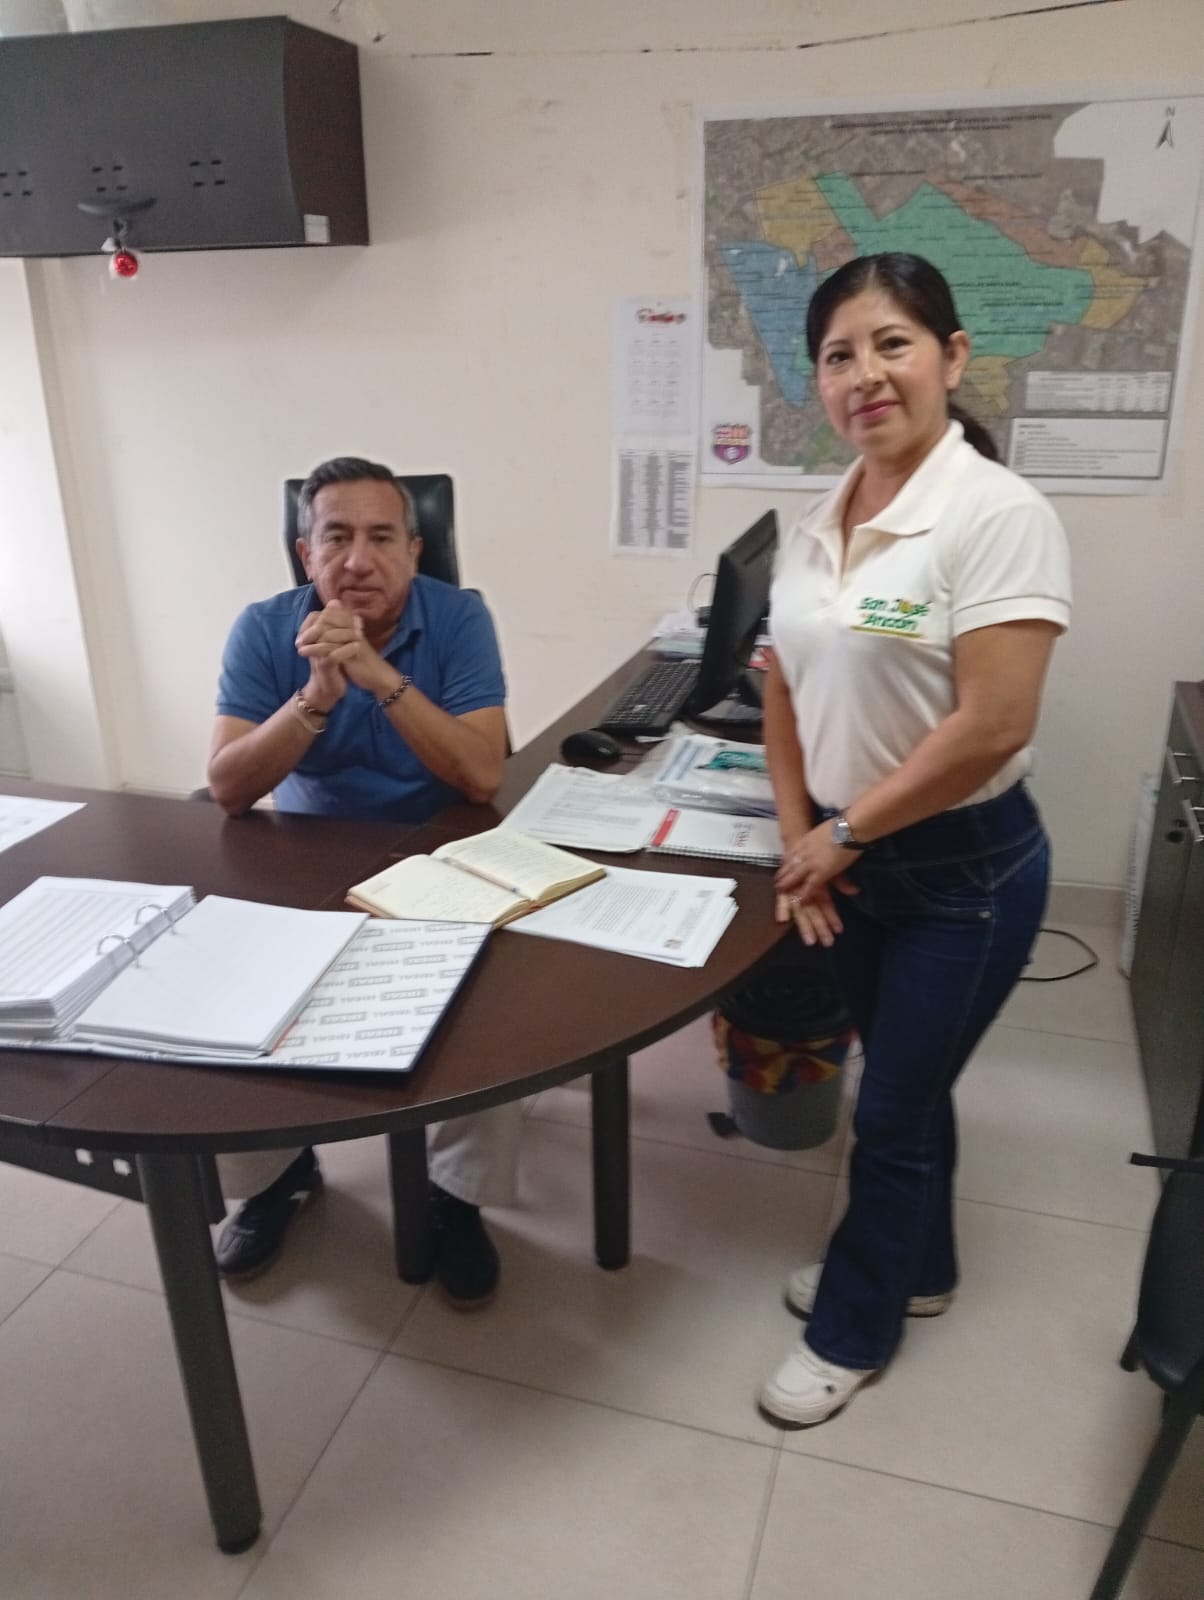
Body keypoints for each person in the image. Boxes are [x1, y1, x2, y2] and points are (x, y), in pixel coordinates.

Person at [757, 254, 1071, 1426]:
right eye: (838, 355)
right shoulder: (820, 516)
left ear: (951, 356)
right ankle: (920, 1266)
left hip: (962, 873)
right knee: (908, 1081)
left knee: (888, 1109)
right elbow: (780, 684)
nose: (865, 374)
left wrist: (843, 830)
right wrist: (803, 838)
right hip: (851, 862)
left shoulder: (997, 514)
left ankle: (854, 1327)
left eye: (891, 343)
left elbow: (993, 725)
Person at [207, 455, 520, 1307]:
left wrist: (381, 679)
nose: (358, 560)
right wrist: (315, 695)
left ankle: (454, 1196)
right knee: (230, 984)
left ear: (416, 549)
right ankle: (277, 1178)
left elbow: (481, 774)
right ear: (305, 554)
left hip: (441, 851)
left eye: (382, 537)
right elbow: (228, 787)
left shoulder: (459, 617)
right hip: (309, 857)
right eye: (336, 538)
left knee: (487, 1002)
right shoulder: (263, 629)